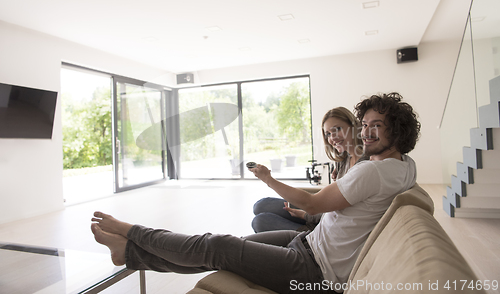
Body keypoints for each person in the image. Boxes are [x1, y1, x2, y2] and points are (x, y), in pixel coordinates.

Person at [91, 92, 420, 293]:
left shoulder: (374, 170)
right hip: (308, 245)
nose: (367, 131)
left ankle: (131, 233)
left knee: (217, 245)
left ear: (397, 130)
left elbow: (312, 202)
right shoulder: (405, 166)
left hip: (316, 272)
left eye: (376, 125)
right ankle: (129, 254)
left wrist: (267, 177)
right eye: (365, 124)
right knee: (222, 247)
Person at [251, 106, 364, 233]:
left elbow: (335, 212)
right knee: (260, 205)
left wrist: (304, 214)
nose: (332, 138)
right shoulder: (344, 161)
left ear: (353, 126)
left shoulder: (363, 168)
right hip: (320, 214)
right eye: (328, 134)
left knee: (260, 221)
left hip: (324, 228)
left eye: (337, 129)